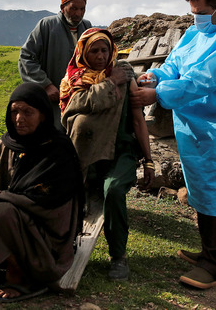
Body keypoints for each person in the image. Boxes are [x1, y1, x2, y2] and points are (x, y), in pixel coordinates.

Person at [130, 0, 216, 289]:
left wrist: (158, 94)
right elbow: (176, 63)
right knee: (200, 188)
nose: (196, 18)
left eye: (201, 12)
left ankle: (213, 265)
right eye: (193, 12)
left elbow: (201, 80)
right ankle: (210, 252)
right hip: (191, 122)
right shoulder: (196, 32)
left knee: (215, 190)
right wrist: (155, 75)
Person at [0, 83, 84, 303]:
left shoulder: (58, 149)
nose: (19, 118)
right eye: (14, 111)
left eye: (27, 112)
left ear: (43, 115)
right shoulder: (9, 144)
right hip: (10, 216)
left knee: (1, 212)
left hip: (46, 232)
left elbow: (50, 205)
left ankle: (21, 279)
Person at [59, 28, 155, 281]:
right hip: (86, 156)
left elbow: (137, 120)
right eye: (94, 50)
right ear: (83, 53)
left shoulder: (123, 72)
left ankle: (119, 257)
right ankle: (64, 248)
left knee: (112, 191)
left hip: (121, 152)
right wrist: (109, 83)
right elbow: (74, 108)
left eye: (105, 50)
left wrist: (149, 161)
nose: (101, 56)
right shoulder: (74, 80)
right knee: (72, 198)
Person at [19, 0, 92, 129]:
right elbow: (26, 57)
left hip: (81, 97)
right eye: (73, 9)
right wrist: (45, 85)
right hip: (53, 99)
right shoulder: (46, 26)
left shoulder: (87, 27)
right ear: (62, 7)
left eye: (82, 9)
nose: (78, 14)